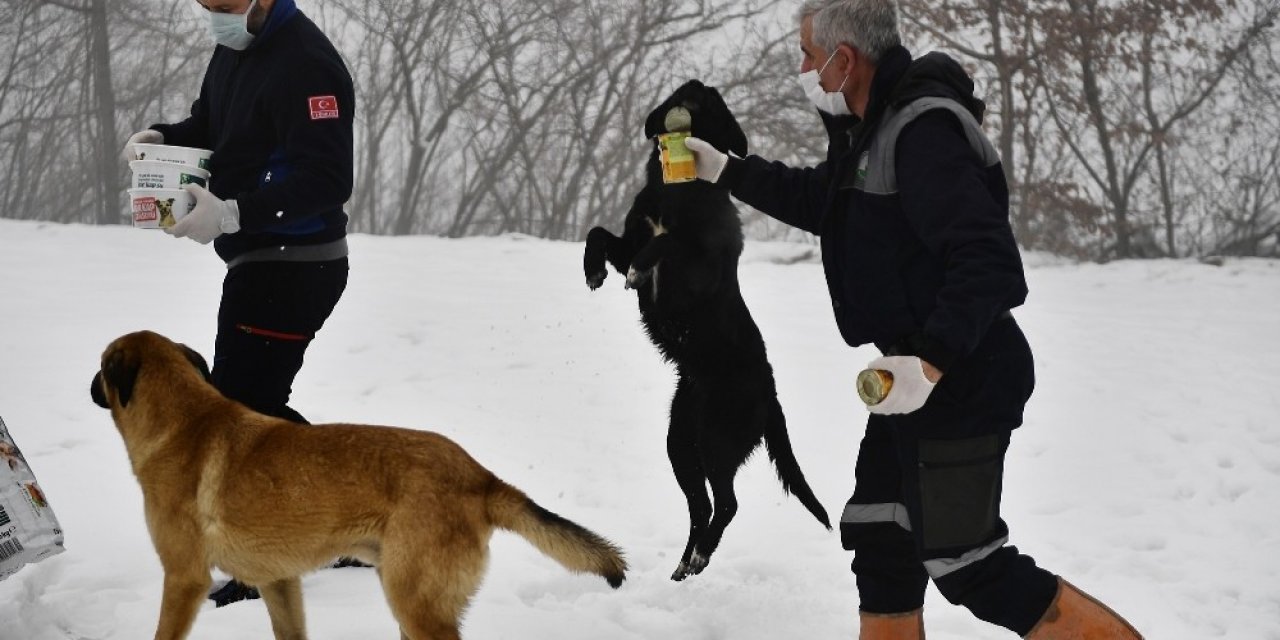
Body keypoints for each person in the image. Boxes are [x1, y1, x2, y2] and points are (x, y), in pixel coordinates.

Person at [682, 1, 1143, 637]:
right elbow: (826, 200)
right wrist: (729, 171)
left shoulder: (923, 131)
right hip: (911, 378)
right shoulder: (874, 129)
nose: (803, 68)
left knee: (968, 565)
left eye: (810, 57)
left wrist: (932, 359)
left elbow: (987, 261)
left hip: (965, 372)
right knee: (882, 540)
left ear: (846, 62)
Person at [122, 0, 355, 607]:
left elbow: (327, 178)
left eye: (224, 1)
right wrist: (163, 139)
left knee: (241, 411)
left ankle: (272, 556)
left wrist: (233, 212)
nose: (214, 12)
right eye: (204, 1)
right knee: (250, 406)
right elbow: (212, 128)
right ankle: (353, 518)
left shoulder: (308, 64)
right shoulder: (236, 48)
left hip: (298, 263)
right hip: (259, 260)